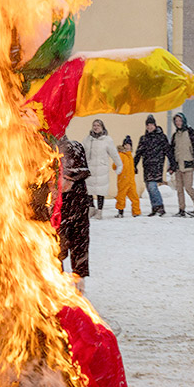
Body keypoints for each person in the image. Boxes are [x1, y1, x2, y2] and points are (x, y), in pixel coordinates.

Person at [57, 137, 91, 282]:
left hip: (72, 209)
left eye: (68, 178)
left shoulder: (78, 198)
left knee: (76, 239)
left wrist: (79, 275)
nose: (62, 182)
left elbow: (80, 241)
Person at [133, 114, 170, 217]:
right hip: (147, 166)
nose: (149, 127)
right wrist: (134, 165)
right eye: (148, 125)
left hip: (157, 165)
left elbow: (168, 151)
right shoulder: (144, 138)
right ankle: (154, 207)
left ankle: (160, 206)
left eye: (151, 125)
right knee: (149, 187)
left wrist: (173, 164)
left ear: (155, 125)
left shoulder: (161, 137)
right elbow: (138, 153)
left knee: (153, 186)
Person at [84, 119, 120, 219]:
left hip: (101, 169)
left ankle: (99, 211)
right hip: (90, 168)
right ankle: (91, 208)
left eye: (98, 125)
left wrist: (119, 165)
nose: (96, 127)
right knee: (89, 190)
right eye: (94, 125)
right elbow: (82, 152)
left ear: (102, 127)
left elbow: (114, 154)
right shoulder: (88, 139)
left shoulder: (107, 140)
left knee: (101, 191)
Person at [168, 113, 194, 217]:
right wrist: (172, 166)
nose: (178, 123)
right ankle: (181, 209)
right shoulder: (175, 135)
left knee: (188, 187)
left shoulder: (190, 132)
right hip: (178, 165)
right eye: (176, 121)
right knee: (179, 189)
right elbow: (172, 151)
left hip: (188, 164)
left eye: (180, 120)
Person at [114, 135, 141, 217]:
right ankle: (120, 212)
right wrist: (117, 167)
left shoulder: (130, 156)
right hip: (123, 180)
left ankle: (136, 212)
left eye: (129, 145)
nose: (127, 146)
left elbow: (131, 167)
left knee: (135, 197)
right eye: (126, 145)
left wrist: (134, 169)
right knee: (121, 197)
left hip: (131, 181)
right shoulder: (120, 155)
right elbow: (115, 165)